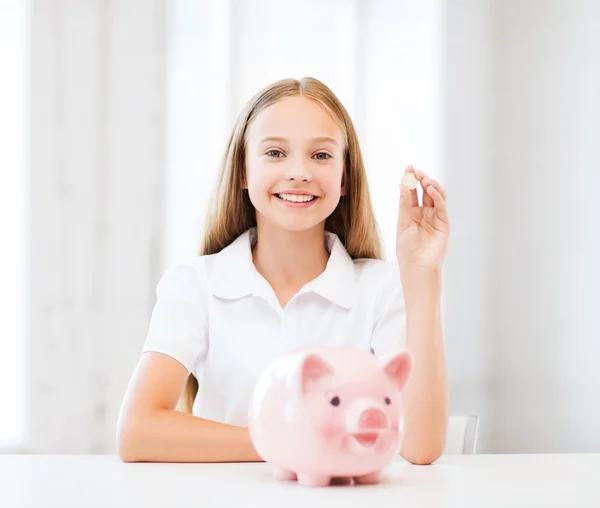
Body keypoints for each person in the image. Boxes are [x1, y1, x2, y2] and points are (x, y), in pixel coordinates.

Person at [116, 77, 450, 465]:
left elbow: (420, 447)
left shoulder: (383, 288)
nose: (299, 172)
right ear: (242, 171)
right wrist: (295, 445)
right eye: (275, 152)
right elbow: (138, 432)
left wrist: (423, 275)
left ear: (345, 179)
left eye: (321, 156)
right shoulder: (195, 284)